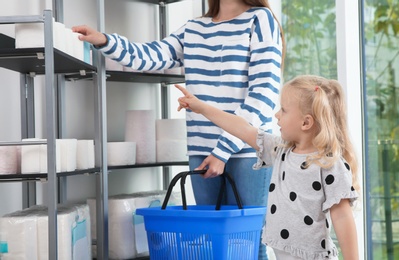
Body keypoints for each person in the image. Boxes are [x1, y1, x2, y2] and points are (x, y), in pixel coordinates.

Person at [72, 1, 284, 258]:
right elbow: (150, 55)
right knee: (211, 244)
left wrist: (222, 151)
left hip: (247, 153)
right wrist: (104, 40)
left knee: (250, 244)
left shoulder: (260, 20)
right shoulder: (194, 28)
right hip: (201, 151)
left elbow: (263, 93)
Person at [175, 74, 360, 260]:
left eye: (284, 110)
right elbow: (242, 128)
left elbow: (343, 218)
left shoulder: (329, 164)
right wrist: (201, 108)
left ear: (306, 122)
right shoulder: (281, 151)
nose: (276, 115)